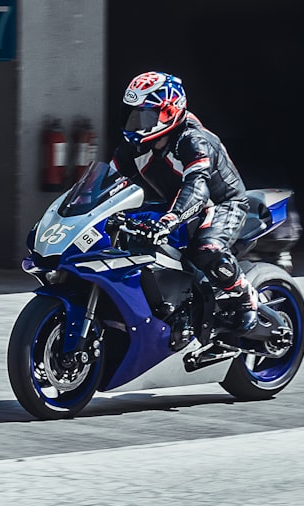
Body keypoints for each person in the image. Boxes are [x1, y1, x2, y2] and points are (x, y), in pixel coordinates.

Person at [111, 71, 258, 332]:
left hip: (222, 204)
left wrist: (169, 220)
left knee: (207, 249)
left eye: (144, 116)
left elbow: (197, 189)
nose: (134, 123)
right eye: (131, 114)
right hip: (175, 204)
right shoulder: (133, 148)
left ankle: (245, 299)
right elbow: (108, 183)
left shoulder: (193, 141)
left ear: (168, 112)